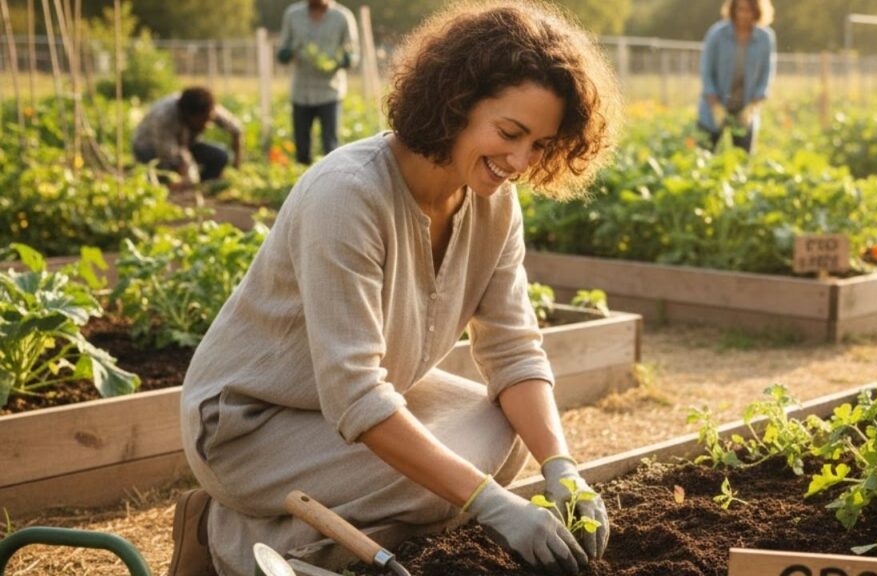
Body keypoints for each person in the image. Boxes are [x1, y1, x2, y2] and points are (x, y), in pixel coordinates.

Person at [168, 2, 622, 575]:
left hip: (357, 408)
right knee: (452, 486)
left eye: (539, 144)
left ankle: (289, 534)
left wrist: (562, 465)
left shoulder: (493, 204)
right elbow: (356, 392)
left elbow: (513, 349)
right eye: (509, 132)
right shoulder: (348, 195)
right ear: (455, 102)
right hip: (251, 426)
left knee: (507, 436)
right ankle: (225, 536)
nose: (519, 160)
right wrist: (489, 504)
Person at [276, 0, 359, 165]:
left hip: (329, 91)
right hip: (301, 91)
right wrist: (287, 53)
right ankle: (302, 183)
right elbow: (282, 50)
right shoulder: (293, 15)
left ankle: (333, 181)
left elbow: (353, 53)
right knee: (301, 145)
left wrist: (344, 60)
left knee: (331, 145)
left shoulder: (342, 16)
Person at [697, 0, 776, 154]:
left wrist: (752, 107)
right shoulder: (717, 34)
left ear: (757, 11)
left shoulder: (765, 38)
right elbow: (706, 72)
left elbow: (766, 75)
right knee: (704, 157)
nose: (744, 14)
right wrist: (715, 107)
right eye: (740, 9)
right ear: (733, 10)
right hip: (714, 107)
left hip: (745, 109)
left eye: (749, 10)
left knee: (742, 159)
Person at [132, 86, 242, 188]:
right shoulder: (164, 116)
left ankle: (204, 186)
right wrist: (183, 175)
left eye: (208, 120)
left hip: (186, 143)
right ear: (188, 115)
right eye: (202, 121)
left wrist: (236, 163)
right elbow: (169, 155)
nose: (207, 125)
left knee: (220, 156)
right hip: (150, 148)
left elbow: (236, 130)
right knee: (165, 174)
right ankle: (170, 187)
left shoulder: (207, 108)